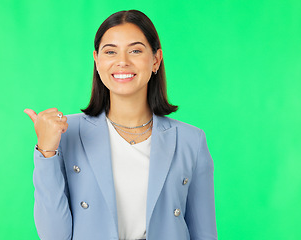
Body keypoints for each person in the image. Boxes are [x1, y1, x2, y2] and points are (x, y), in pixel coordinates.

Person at [24, 10, 217, 240]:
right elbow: (53, 236)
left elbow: (204, 233)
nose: (122, 62)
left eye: (135, 50)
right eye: (110, 52)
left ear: (155, 59)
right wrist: (47, 152)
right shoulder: (66, 133)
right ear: (96, 61)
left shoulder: (190, 140)